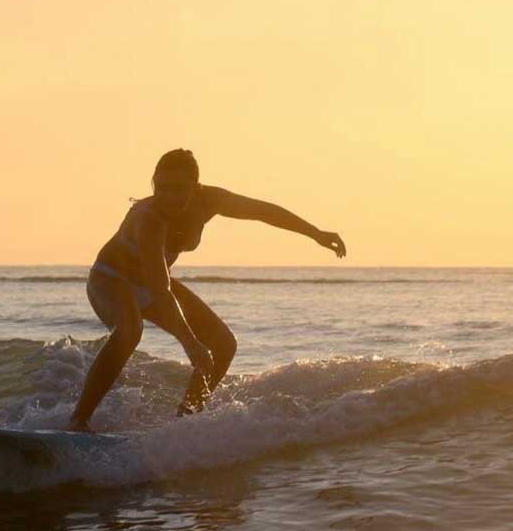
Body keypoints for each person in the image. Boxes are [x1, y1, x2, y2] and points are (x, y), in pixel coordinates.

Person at [69, 149, 347, 432]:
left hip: (154, 280)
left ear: (195, 186)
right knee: (131, 330)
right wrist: (190, 344)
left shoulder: (209, 201)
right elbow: (159, 290)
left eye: (178, 188)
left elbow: (263, 211)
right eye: (161, 187)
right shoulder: (149, 218)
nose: (168, 196)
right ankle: (78, 420)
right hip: (111, 278)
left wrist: (316, 233)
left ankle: (185, 421)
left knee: (224, 345)